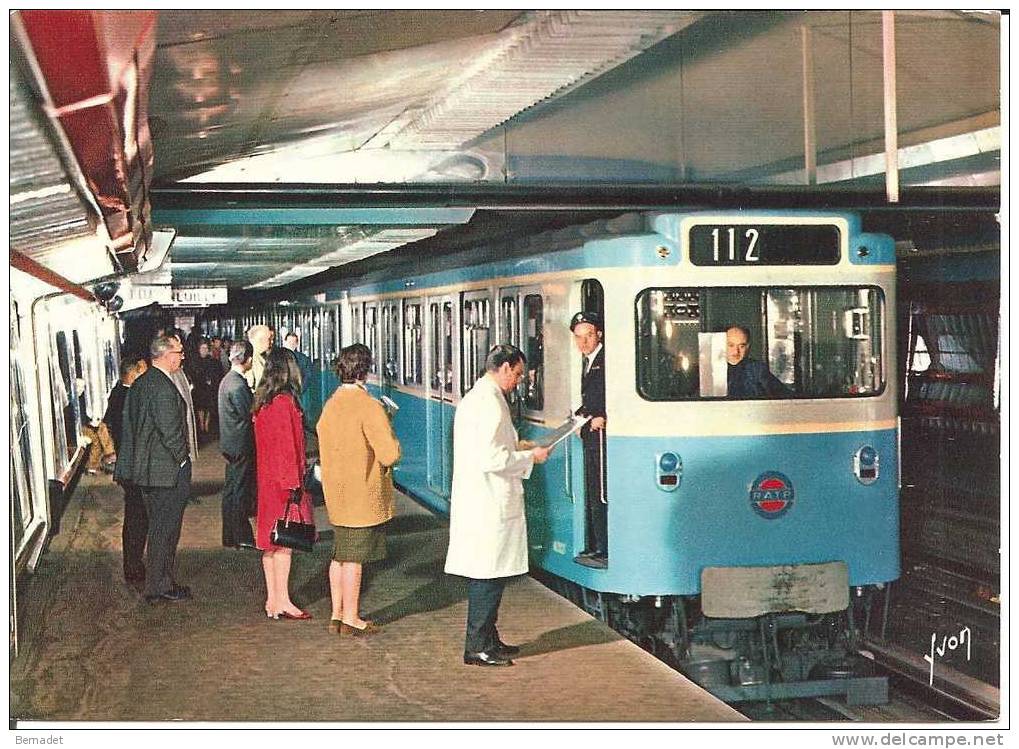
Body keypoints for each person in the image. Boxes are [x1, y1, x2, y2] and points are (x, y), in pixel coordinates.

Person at [444, 344, 550, 667]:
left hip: (487, 500)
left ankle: (489, 639)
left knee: (492, 575)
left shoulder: (481, 398)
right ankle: (476, 646)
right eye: (517, 374)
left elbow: (492, 446)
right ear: (503, 368)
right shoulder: (488, 403)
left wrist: (519, 446)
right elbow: (491, 458)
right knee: (487, 578)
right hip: (488, 502)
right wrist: (529, 456)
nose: (518, 381)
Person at [317, 344, 401, 636]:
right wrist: (389, 427)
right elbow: (389, 454)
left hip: (336, 492)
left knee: (340, 554)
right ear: (365, 370)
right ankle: (352, 617)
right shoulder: (369, 406)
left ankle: (337, 613)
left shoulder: (332, 403)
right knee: (354, 558)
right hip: (361, 493)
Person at [113, 335, 194, 604]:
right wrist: (182, 460)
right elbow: (170, 431)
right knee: (165, 531)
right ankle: (159, 585)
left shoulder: (141, 384)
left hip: (147, 472)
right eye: (179, 352)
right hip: (165, 473)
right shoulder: (161, 386)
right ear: (166, 355)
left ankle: (159, 581)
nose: (182, 356)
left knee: (157, 528)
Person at [252, 348, 314, 620]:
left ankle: (273, 600)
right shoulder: (284, 403)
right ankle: (283, 600)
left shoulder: (262, 402)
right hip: (283, 483)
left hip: (267, 480)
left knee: (270, 542)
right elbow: (287, 447)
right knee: (284, 543)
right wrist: (293, 486)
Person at [105, 354, 149, 586]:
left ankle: (133, 562)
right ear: (133, 373)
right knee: (136, 517)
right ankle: (133, 565)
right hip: (134, 468)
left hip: (126, 466)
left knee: (135, 515)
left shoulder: (116, 394)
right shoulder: (130, 397)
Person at [570, 311, 608, 569]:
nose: (583, 343)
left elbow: (606, 398)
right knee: (594, 491)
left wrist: (598, 415)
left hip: (602, 441)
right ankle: (598, 545)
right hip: (594, 439)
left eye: (588, 336)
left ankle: (603, 547)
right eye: (578, 337)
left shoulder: (605, 361)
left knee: (600, 491)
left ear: (599, 335)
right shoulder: (590, 359)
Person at [218, 340, 257, 550]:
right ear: (248, 359)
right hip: (241, 445)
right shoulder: (239, 385)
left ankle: (229, 536)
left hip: (230, 443)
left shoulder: (227, 381)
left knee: (231, 491)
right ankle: (242, 536)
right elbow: (249, 413)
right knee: (240, 492)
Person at [725, 325, 790, 398]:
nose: (736, 351)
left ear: (748, 346)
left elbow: (785, 396)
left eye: (741, 346)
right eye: (731, 345)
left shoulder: (757, 369)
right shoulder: (712, 369)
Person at [188, 338, 223, 440]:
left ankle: (206, 425)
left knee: (209, 407)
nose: (204, 350)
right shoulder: (195, 361)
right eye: (202, 348)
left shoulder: (212, 361)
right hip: (199, 387)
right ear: (199, 349)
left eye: (206, 348)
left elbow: (216, 373)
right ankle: (202, 425)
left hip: (209, 388)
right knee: (200, 407)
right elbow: (193, 373)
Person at [245, 324, 274, 391]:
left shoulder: (263, 357)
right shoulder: (249, 358)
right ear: (260, 340)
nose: (271, 342)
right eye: (269, 339)